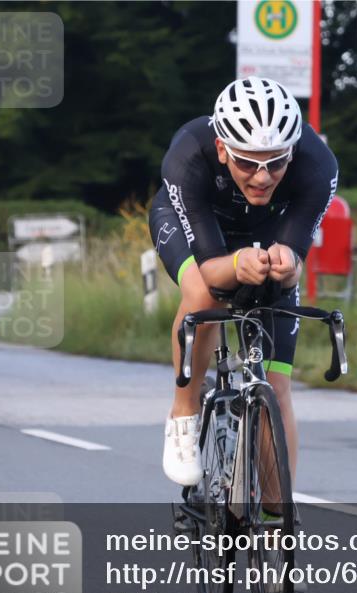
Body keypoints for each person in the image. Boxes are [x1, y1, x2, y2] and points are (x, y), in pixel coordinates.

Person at [148, 76, 338, 488]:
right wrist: (236, 263)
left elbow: (295, 255)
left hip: (265, 230)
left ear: (292, 153)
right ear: (222, 150)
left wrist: (288, 263)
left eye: (276, 162)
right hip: (195, 227)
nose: (263, 177)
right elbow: (214, 269)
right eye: (248, 162)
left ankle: (273, 519)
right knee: (201, 292)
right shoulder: (189, 154)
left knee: (278, 383)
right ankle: (183, 411)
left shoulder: (318, 167)